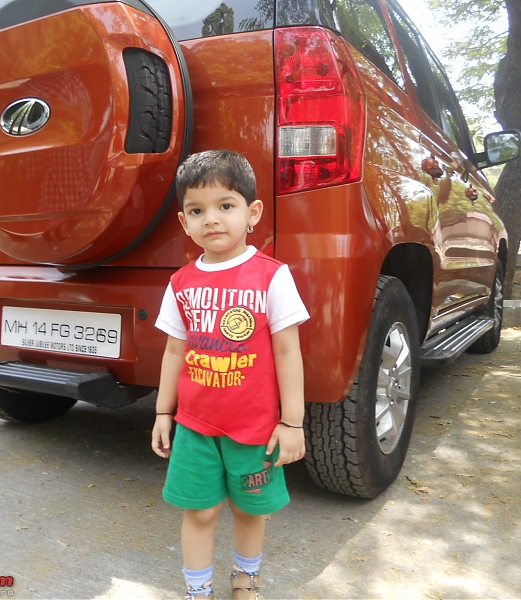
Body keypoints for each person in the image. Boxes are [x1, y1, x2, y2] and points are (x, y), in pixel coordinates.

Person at [151, 150, 310, 599]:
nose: (212, 219)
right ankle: (197, 591)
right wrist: (164, 413)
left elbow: (287, 351)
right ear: (184, 222)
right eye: (197, 211)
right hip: (195, 428)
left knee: (249, 510)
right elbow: (174, 351)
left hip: (255, 431)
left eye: (226, 205)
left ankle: (246, 579)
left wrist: (292, 422)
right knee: (199, 513)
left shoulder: (271, 277)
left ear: (252, 212)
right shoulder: (181, 283)